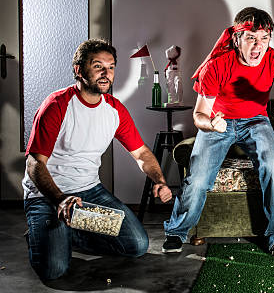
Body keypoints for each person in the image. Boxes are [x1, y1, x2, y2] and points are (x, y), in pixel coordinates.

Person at [23, 39, 173, 280]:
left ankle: (70, 232)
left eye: (111, 67)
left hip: (89, 191)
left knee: (136, 245)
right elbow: (34, 163)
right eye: (98, 66)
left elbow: (142, 153)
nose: (106, 73)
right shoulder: (57, 105)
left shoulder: (114, 110)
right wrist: (60, 200)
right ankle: (39, 232)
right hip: (49, 194)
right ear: (79, 70)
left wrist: (160, 180)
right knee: (54, 269)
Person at [162, 7, 274, 257]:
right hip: (220, 121)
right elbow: (199, 115)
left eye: (264, 39)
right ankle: (176, 231)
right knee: (200, 177)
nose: (258, 46)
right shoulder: (216, 65)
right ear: (236, 40)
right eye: (250, 38)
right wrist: (211, 125)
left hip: (256, 121)